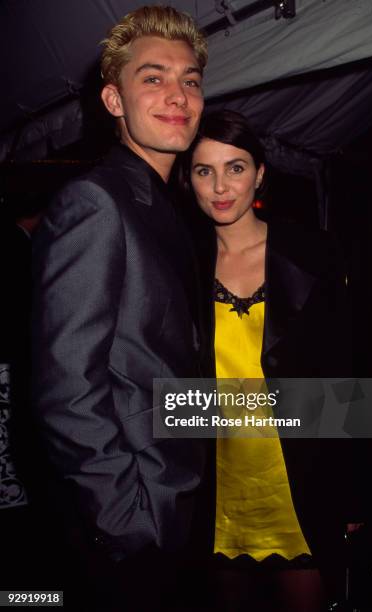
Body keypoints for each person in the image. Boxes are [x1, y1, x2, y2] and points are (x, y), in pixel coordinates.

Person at [31, 6, 207, 610]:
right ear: (113, 101)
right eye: (152, 78)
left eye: (190, 80)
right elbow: (64, 388)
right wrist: (127, 521)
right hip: (133, 523)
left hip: (176, 502)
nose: (177, 94)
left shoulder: (162, 204)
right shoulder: (97, 201)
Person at [179, 109, 358, 611]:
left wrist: (353, 492)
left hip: (298, 473)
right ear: (186, 178)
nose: (220, 185)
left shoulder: (312, 253)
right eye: (203, 170)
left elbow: (347, 374)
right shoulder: (180, 266)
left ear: (259, 173)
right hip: (215, 482)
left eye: (235, 168)